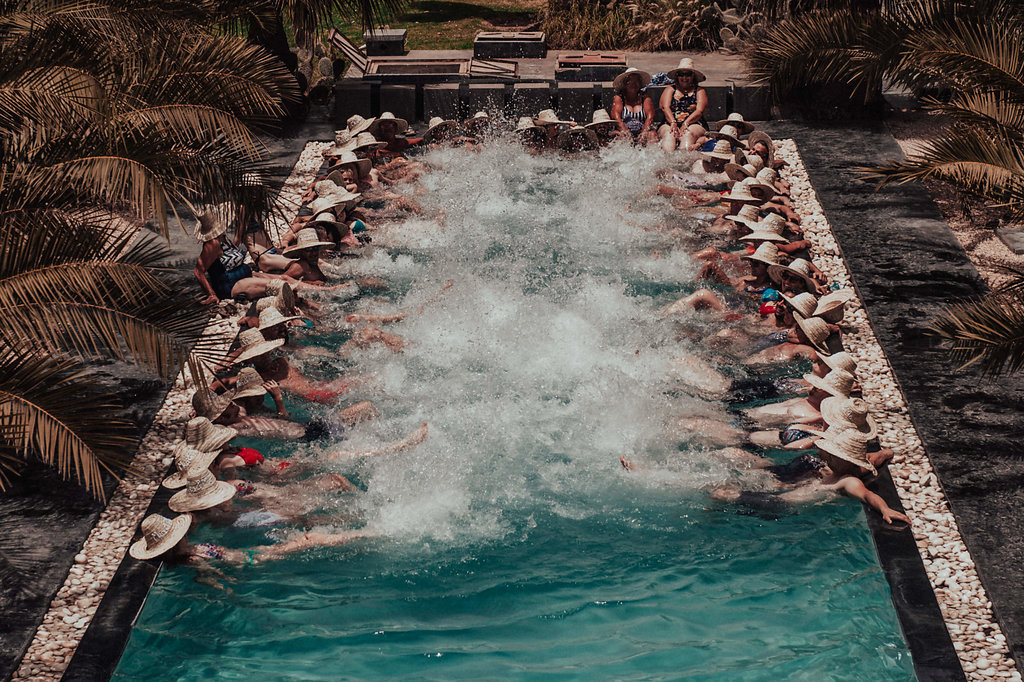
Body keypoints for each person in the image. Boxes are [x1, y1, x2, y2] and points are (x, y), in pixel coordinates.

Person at [659, 58, 708, 152]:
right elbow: (665, 107)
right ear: (677, 76)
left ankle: (683, 160)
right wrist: (673, 123)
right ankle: (668, 160)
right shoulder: (670, 89)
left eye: (688, 74)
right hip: (669, 122)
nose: (684, 77)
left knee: (688, 134)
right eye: (681, 74)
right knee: (670, 134)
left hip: (694, 123)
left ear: (693, 76)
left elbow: (699, 111)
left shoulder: (700, 91)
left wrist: (686, 123)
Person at [610, 68, 656, 144]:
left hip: (642, 130)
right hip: (623, 130)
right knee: (619, 136)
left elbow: (650, 116)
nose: (634, 84)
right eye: (630, 81)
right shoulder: (619, 98)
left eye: (637, 81)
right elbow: (616, 117)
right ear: (625, 84)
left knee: (652, 134)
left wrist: (644, 133)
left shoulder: (645, 98)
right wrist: (626, 132)